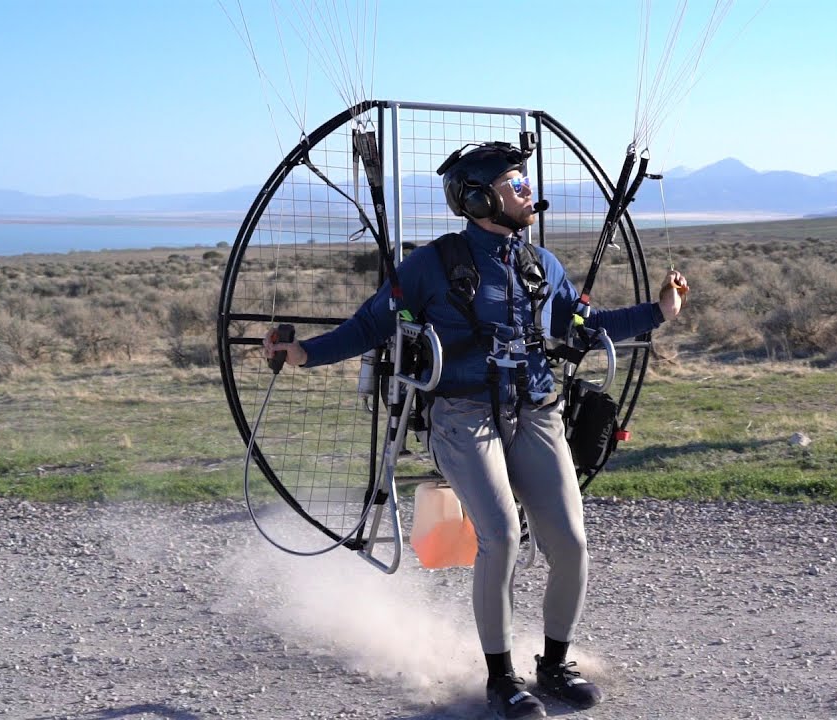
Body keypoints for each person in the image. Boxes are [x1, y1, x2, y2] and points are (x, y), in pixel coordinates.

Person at [264, 141, 687, 719]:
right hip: (462, 419)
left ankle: (554, 664)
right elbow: (367, 327)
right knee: (503, 536)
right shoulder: (429, 267)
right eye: (516, 186)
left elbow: (587, 327)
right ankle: (501, 678)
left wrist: (659, 312)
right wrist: (303, 354)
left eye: (523, 183)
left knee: (570, 542)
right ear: (479, 197)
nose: (528, 194)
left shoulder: (541, 264)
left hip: (535, 411)